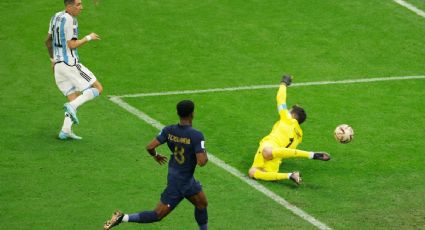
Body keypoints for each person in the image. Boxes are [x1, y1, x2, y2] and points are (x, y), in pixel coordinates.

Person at [103, 100, 209, 230]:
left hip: (184, 177)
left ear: (178, 113)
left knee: (202, 204)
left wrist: (156, 155)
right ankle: (122, 217)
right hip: (179, 183)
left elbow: (150, 146)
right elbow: (202, 162)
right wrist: (203, 151)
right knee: (157, 214)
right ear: (192, 114)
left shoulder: (169, 130)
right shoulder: (196, 135)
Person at [248, 75, 331, 185]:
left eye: (290, 110)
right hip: (277, 158)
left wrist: (284, 83)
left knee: (261, 160)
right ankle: (289, 175)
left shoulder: (288, 118)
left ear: (293, 114)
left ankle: (310, 155)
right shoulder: (299, 136)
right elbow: (289, 153)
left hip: (269, 146)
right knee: (254, 172)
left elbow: (280, 99)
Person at [45, 0, 103, 140]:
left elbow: (47, 41)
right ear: (69, 6)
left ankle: (65, 131)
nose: (81, 8)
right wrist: (88, 37)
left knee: (73, 96)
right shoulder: (71, 20)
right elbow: (71, 45)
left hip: (58, 66)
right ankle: (71, 107)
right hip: (70, 64)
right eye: (78, 5)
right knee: (98, 88)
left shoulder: (56, 16)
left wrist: (53, 60)